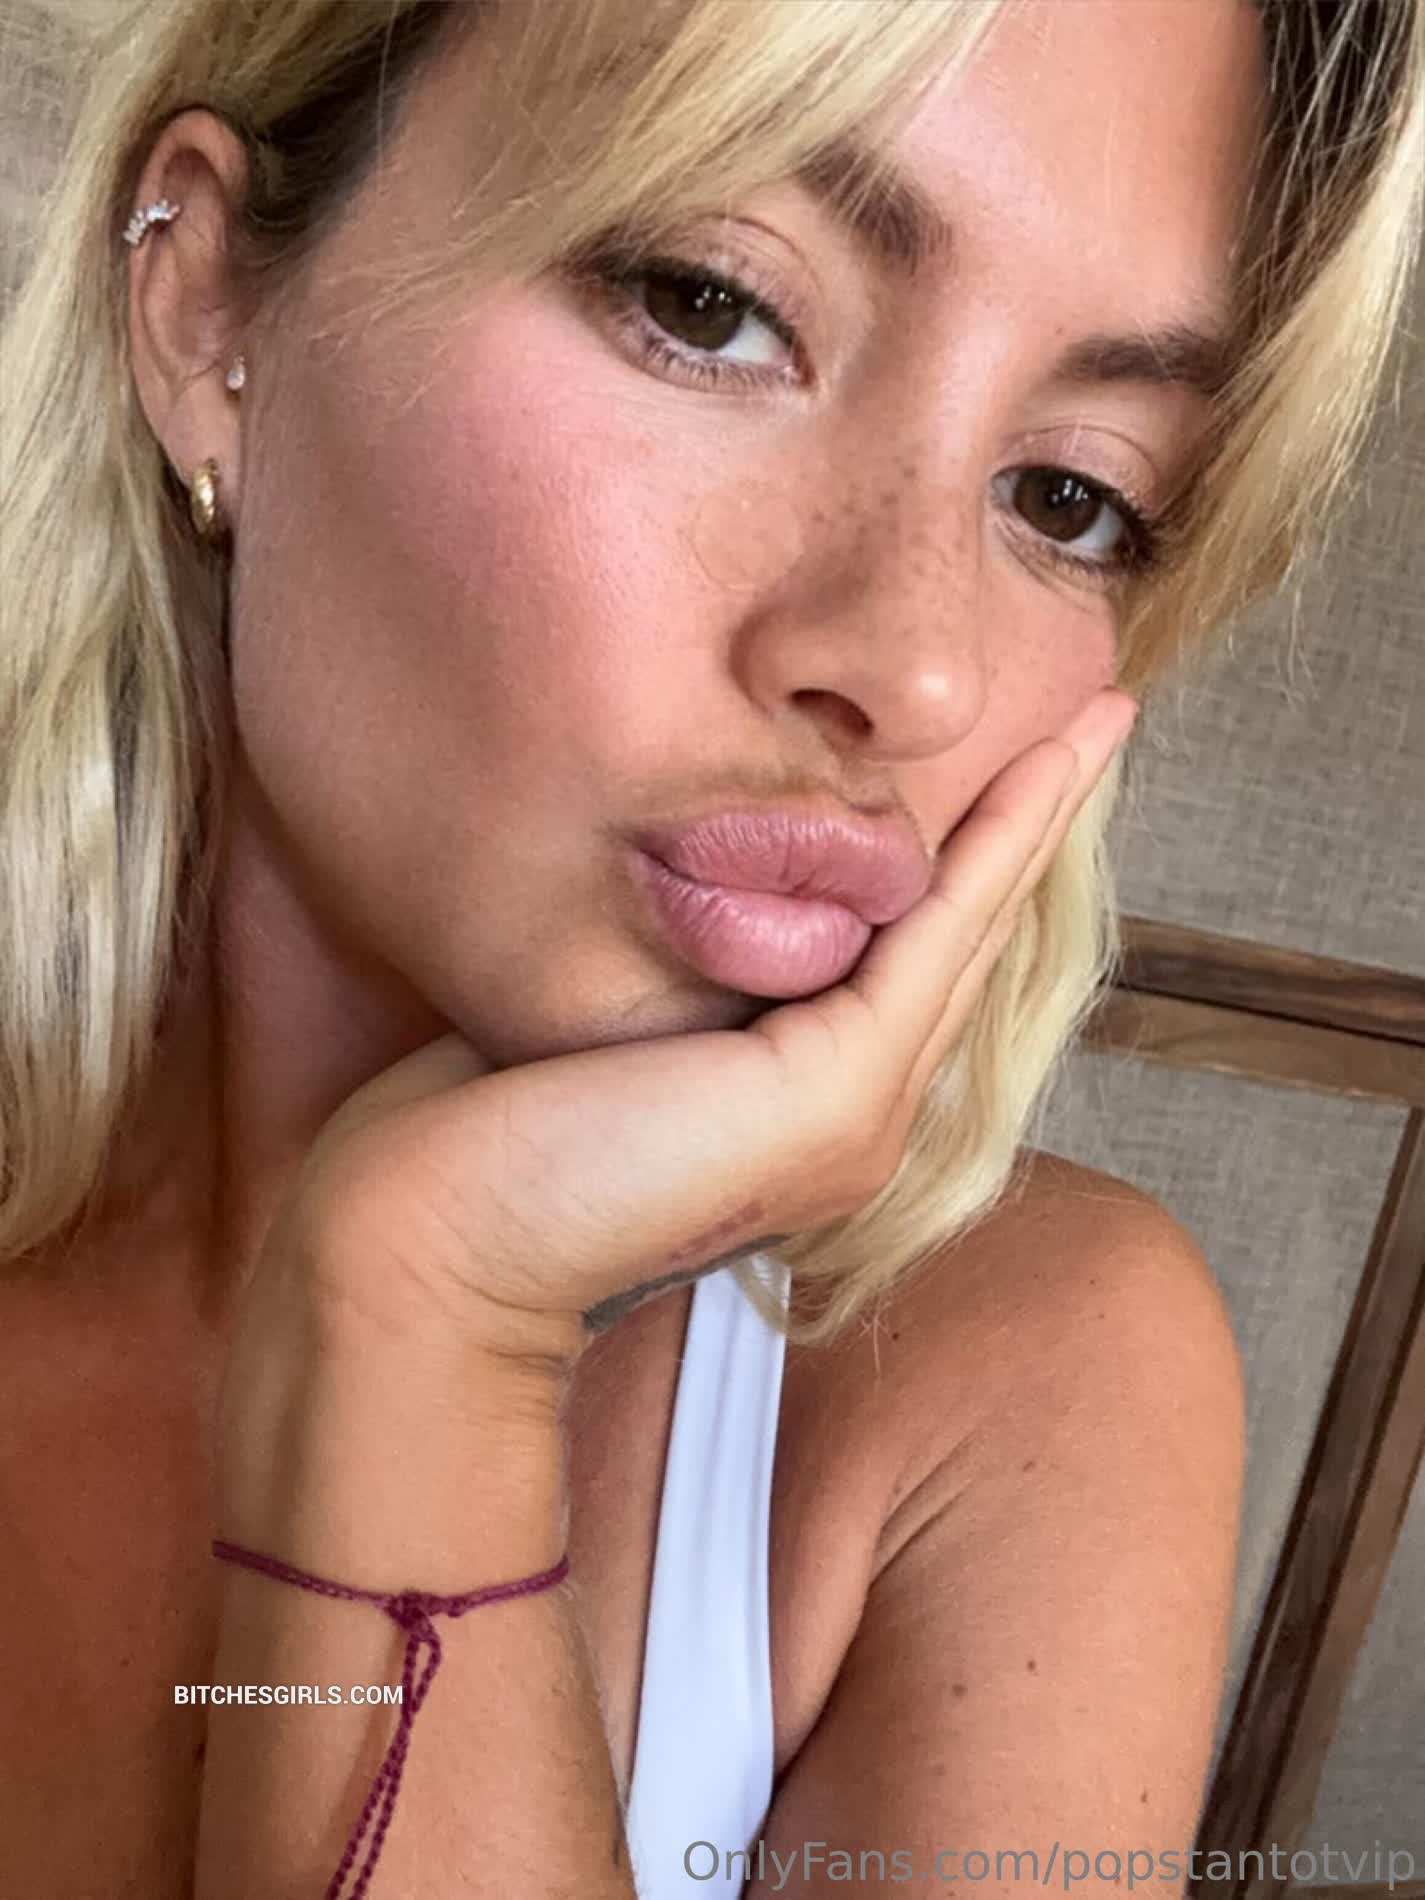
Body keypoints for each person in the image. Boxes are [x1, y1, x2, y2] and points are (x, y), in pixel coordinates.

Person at [0, 0, 1420, 1894]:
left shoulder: (1006, 1382)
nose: (913, 667)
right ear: (206, 309)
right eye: (711, 305)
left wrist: (432, 1327)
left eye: (1070, 495)